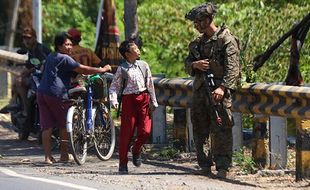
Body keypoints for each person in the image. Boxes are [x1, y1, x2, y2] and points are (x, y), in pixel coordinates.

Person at [184, 2, 241, 178]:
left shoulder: (226, 40)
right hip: (201, 90)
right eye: (195, 22)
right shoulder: (197, 44)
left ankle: (223, 167)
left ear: (208, 20)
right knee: (200, 126)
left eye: (199, 21)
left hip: (219, 91)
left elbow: (233, 69)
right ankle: (204, 164)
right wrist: (195, 64)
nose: (196, 25)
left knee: (222, 127)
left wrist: (222, 88)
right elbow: (187, 65)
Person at [37, 32, 111, 164]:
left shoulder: (51, 56)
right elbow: (84, 69)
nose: (70, 47)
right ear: (59, 46)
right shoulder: (65, 58)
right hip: (56, 94)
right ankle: (64, 155)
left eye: (71, 44)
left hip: (42, 93)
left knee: (47, 126)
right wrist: (102, 69)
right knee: (64, 125)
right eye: (67, 44)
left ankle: (47, 157)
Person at [109, 40, 158, 174]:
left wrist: (153, 101)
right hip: (129, 101)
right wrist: (114, 100)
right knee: (126, 134)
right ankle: (123, 164)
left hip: (143, 99)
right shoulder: (122, 68)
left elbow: (149, 84)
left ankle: (136, 149)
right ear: (127, 54)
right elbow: (114, 86)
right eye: (134, 48)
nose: (138, 50)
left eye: (137, 48)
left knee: (146, 131)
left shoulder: (143, 65)